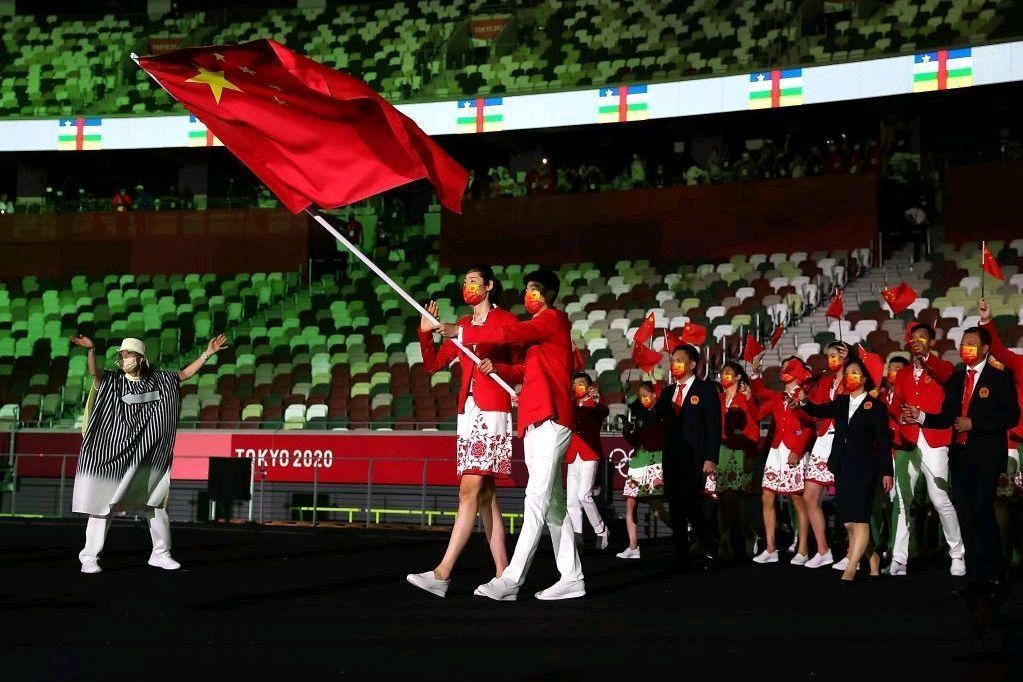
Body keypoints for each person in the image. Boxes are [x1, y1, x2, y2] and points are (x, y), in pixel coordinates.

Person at [436, 268, 584, 601]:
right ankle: (572, 576)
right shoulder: (536, 339)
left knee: (535, 500)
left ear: (547, 294)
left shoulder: (553, 320)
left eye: (534, 290)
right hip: (534, 421)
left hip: (553, 418)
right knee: (554, 505)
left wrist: (459, 330)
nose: (528, 295)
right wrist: (500, 371)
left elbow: (507, 334)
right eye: (526, 289)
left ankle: (511, 578)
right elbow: (524, 372)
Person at [406, 265, 521, 598]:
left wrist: (499, 369)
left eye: (473, 281)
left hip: (494, 410)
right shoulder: (464, 325)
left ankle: (442, 573)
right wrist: (425, 332)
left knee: (467, 490)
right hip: (468, 413)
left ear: (489, 286)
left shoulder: (507, 323)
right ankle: (504, 575)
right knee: (485, 497)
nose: (467, 286)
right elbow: (433, 365)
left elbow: (523, 366)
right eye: (465, 280)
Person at [69, 333, 228, 573]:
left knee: (155, 504)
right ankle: (89, 557)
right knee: (103, 506)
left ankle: (161, 554)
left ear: (141, 358)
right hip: (113, 455)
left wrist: (207, 353)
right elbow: (95, 374)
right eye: (121, 355)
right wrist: (91, 350)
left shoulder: (159, 380)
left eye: (129, 355)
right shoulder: (113, 381)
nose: (124, 359)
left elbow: (184, 375)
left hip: (146, 455)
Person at [903, 327, 1020, 595]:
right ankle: (976, 577)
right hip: (961, 457)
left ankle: (995, 572)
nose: (965, 347)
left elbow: (1011, 417)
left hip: (987, 457)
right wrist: (921, 417)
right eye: (962, 343)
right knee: (966, 516)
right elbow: (947, 417)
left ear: (985, 348)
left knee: (982, 512)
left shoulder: (999, 378)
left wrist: (975, 424)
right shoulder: (957, 379)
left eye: (971, 343)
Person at [799, 356, 894, 583]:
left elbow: (883, 442)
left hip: (864, 468)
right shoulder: (841, 402)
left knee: (859, 519)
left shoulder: (876, 407)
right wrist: (803, 402)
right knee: (848, 521)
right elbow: (819, 410)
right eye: (848, 372)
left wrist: (886, 471)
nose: (849, 376)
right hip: (841, 465)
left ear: (863, 379)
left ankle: (851, 566)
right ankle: (872, 558)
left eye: (853, 372)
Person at [887, 322, 965, 577]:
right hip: (908, 441)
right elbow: (896, 406)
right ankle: (899, 559)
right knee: (902, 501)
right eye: (913, 338)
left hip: (934, 440)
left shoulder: (944, 368)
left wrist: (926, 358)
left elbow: (944, 377)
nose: (917, 341)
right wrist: (902, 419)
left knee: (939, 498)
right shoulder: (904, 373)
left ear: (932, 343)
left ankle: (957, 554)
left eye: (923, 338)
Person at [652, 344, 722, 572]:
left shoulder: (706, 390)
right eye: (672, 360)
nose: (675, 364)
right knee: (675, 505)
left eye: (680, 360)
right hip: (672, 456)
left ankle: (709, 545)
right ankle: (681, 554)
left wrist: (711, 457)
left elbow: (713, 426)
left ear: (692, 364)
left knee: (691, 503)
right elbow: (654, 418)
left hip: (695, 457)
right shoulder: (667, 392)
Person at [750, 356, 816, 564]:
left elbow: (809, 427)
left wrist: (797, 450)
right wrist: (754, 377)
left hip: (794, 450)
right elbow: (760, 405)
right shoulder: (779, 397)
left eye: (789, 369)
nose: (784, 371)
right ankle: (770, 548)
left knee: (797, 499)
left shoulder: (806, 396)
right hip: (776, 450)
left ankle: (803, 549)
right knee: (767, 496)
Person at [978, 299, 1023, 570]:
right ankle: (1005, 554)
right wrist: (986, 321)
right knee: (1003, 500)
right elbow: (998, 350)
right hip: (1012, 444)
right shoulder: (1018, 367)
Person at [704, 361, 760, 561]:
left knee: (736, 499)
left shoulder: (745, 397)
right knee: (721, 499)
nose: (723, 376)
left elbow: (755, 423)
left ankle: (748, 534)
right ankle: (725, 540)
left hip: (741, 452)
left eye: (728, 373)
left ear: (738, 377)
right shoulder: (717, 398)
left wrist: (751, 454)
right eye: (722, 373)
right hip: (722, 451)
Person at [800, 342, 849, 569]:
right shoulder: (825, 381)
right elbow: (816, 410)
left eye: (836, 355)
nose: (831, 360)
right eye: (828, 355)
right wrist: (801, 403)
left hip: (844, 441)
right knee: (810, 496)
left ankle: (853, 552)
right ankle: (823, 550)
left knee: (848, 500)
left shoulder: (853, 379)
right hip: (823, 439)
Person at [618, 381, 671, 559]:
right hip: (638, 461)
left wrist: (632, 400)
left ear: (655, 394)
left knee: (657, 508)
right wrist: (627, 431)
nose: (642, 399)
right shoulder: (641, 414)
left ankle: (684, 535)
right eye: (640, 396)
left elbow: (651, 421)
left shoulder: (662, 411)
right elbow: (637, 440)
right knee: (630, 502)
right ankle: (633, 546)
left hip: (655, 462)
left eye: (645, 395)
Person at [566, 371, 610, 550]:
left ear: (589, 386)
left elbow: (603, 412)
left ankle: (601, 530)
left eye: (581, 384)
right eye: (575, 384)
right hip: (571, 454)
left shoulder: (595, 405)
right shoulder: (570, 405)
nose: (578, 387)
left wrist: (597, 399)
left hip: (590, 454)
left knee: (584, 494)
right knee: (571, 500)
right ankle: (578, 537)